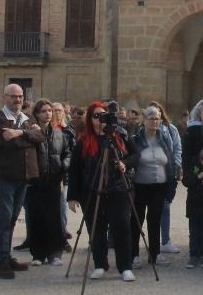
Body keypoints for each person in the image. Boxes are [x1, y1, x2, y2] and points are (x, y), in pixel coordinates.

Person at [68, 102, 136, 281]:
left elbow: (136, 155)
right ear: (90, 119)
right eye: (95, 116)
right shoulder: (84, 140)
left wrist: (125, 163)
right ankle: (100, 264)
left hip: (118, 190)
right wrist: (72, 197)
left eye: (102, 115)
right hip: (91, 190)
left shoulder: (119, 136)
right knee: (96, 230)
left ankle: (125, 267)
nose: (100, 120)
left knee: (121, 228)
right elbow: (75, 170)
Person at [0, 83, 41, 280]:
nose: (17, 100)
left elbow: (40, 136)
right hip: (6, 177)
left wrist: (19, 132)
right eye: (13, 96)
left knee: (12, 219)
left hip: (23, 177)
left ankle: (7, 256)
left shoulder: (26, 118)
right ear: (4, 98)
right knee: (4, 219)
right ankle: (0, 260)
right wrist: (28, 135)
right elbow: (9, 142)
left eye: (20, 97)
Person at [131, 105, 180, 269]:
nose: (154, 122)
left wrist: (172, 181)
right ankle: (134, 255)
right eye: (151, 118)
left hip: (159, 185)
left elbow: (170, 161)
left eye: (157, 118)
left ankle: (155, 253)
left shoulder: (164, 139)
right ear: (143, 121)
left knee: (155, 219)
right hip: (139, 186)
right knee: (136, 220)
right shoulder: (135, 140)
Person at [25, 99, 72, 266]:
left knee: (54, 219)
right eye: (44, 111)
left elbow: (67, 153)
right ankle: (38, 254)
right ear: (37, 114)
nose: (48, 114)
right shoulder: (31, 132)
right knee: (36, 218)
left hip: (53, 181)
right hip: (36, 183)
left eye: (49, 111)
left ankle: (54, 253)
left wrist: (64, 165)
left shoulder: (59, 134)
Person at [149, 102, 184, 255]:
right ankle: (154, 241)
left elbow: (177, 147)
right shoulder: (142, 131)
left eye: (156, 115)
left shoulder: (170, 129)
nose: (154, 119)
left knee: (165, 206)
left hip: (167, 173)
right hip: (149, 174)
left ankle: (165, 240)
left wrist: (176, 165)